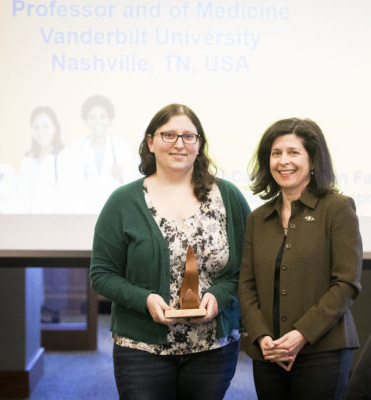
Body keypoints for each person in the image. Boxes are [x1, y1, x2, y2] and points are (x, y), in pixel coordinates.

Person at [90, 103, 251, 400]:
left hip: (213, 348)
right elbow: (102, 275)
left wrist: (218, 297)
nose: (179, 144)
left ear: (199, 144)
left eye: (189, 136)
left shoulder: (228, 197)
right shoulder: (123, 201)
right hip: (141, 347)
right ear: (150, 142)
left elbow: (246, 269)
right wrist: (145, 299)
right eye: (169, 135)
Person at [238, 118, 363, 400]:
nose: (284, 161)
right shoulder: (258, 218)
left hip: (323, 352)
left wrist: (299, 336)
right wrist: (261, 337)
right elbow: (246, 286)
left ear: (314, 161)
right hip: (268, 353)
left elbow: (346, 284)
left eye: (294, 152)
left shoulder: (338, 209)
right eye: (276, 153)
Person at [66, 94, 138, 214]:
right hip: (82, 212)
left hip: (114, 212)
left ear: (110, 120)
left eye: (102, 116)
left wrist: (122, 175)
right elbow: (69, 186)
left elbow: (133, 183)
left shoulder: (121, 146)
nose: (97, 121)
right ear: (86, 120)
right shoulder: (76, 148)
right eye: (92, 117)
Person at [19, 106, 67, 214]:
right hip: (28, 220)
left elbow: (67, 197)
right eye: (36, 127)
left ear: (54, 127)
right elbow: (22, 193)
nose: (41, 132)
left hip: (54, 221)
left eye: (46, 126)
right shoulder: (27, 158)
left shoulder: (65, 157)